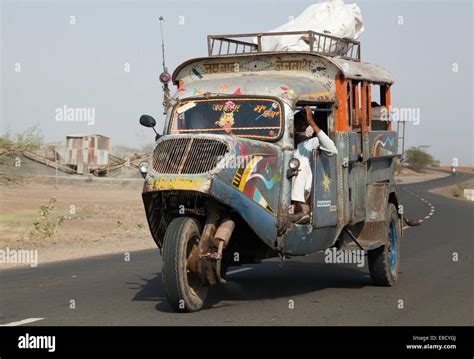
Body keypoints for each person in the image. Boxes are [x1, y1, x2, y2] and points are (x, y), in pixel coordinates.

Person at [291, 106, 338, 224]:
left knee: (302, 163)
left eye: (302, 125)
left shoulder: (311, 143)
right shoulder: (286, 147)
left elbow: (332, 150)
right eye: (296, 125)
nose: (298, 128)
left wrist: (312, 123)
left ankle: (299, 208)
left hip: (305, 193)